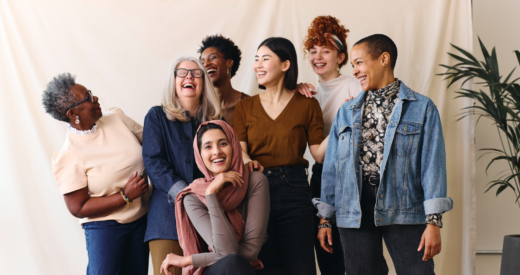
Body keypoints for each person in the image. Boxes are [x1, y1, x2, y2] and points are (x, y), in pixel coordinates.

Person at [314, 34, 453, 275]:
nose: (355, 71)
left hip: (405, 207)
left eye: (359, 62)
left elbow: (433, 166)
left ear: (384, 59)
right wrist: (325, 218)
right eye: (353, 65)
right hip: (354, 209)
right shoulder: (345, 112)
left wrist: (433, 222)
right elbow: (332, 169)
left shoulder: (422, 108)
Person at [296, 15, 388, 275]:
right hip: (321, 175)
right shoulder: (310, 91)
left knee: (360, 258)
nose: (318, 56)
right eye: (313, 51)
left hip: (350, 176)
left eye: (326, 50)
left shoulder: (353, 85)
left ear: (341, 56)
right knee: (329, 254)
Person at [233, 37, 325, 275]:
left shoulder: (308, 105)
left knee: (301, 265)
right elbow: (240, 149)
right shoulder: (244, 106)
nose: (258, 65)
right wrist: (246, 161)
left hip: (295, 188)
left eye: (265, 58)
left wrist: (342, 124)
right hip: (255, 187)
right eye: (256, 59)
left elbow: (319, 154)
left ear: (285, 65)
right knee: (263, 265)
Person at [44, 73, 150, 274]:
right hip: (105, 228)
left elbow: (153, 144)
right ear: (72, 113)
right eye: (89, 97)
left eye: (91, 93)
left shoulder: (117, 119)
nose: (96, 99)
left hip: (141, 219)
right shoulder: (68, 155)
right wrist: (125, 196)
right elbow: (78, 207)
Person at [142, 57, 221, 275]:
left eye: (196, 73)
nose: (189, 77)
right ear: (173, 80)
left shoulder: (214, 122)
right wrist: (184, 194)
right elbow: (153, 162)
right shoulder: (157, 116)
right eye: (183, 72)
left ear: (204, 82)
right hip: (166, 220)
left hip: (208, 217)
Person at [160, 120, 269, 275]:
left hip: (241, 266)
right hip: (216, 270)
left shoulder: (255, 181)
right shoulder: (192, 197)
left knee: (234, 262)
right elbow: (228, 253)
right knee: (232, 262)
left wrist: (188, 260)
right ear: (199, 154)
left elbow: (249, 251)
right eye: (208, 146)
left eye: (223, 143)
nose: (216, 151)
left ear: (234, 146)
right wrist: (211, 193)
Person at [198, 34, 249, 126]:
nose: (206, 64)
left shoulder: (250, 104)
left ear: (229, 63)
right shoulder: (198, 105)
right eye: (202, 62)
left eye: (212, 58)